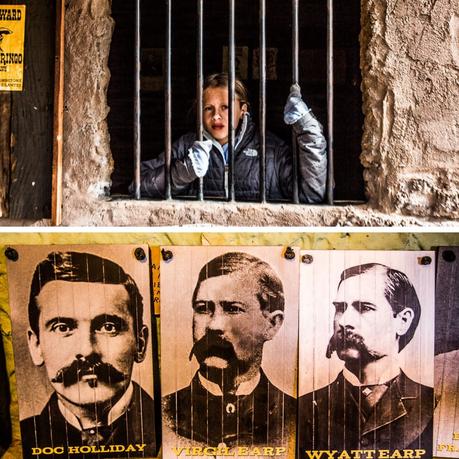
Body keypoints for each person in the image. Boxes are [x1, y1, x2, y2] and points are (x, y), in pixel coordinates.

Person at [20, 251, 157, 458]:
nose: (87, 350)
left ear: (140, 343)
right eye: (63, 328)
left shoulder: (175, 428)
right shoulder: (23, 439)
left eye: (108, 327)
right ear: (36, 345)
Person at [297, 263, 434, 455]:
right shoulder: (302, 407)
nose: (344, 321)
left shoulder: (433, 404)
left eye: (364, 308)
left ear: (402, 321)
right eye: (340, 308)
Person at [162, 252, 296, 448]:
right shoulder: (164, 413)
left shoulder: (294, 414)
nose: (214, 325)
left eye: (233, 309)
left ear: (272, 324)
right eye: (202, 308)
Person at [134, 73, 327, 202]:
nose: (216, 116)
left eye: (225, 107)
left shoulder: (270, 149)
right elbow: (137, 185)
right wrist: (182, 173)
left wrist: (308, 129)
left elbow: (311, 194)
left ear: (243, 109)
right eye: (208, 108)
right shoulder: (187, 145)